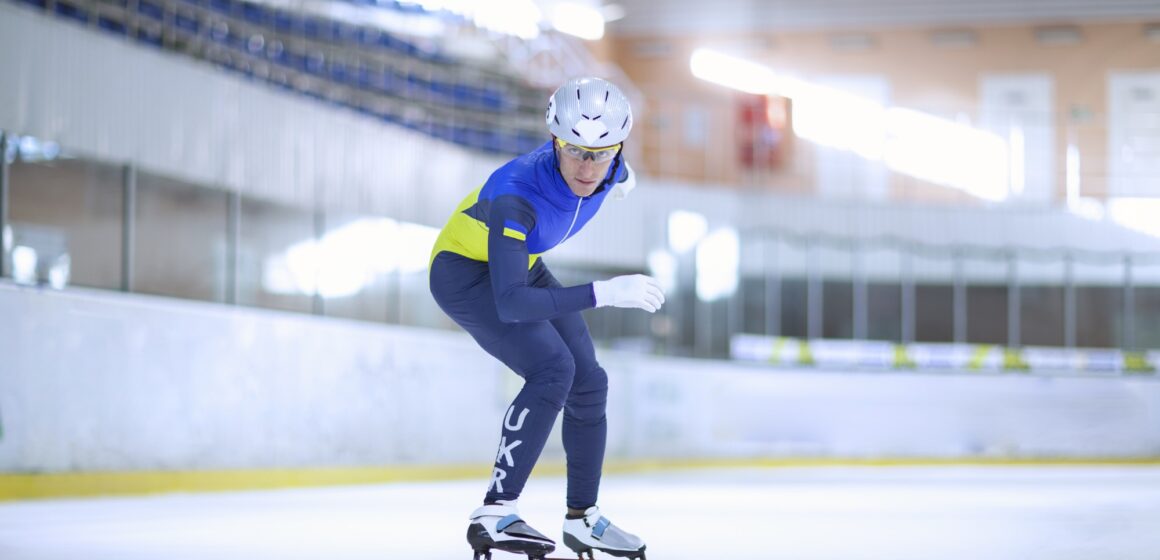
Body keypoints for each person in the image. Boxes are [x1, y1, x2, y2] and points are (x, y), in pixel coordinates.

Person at [429, 77, 661, 560]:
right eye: (574, 151)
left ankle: (583, 520)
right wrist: (605, 292)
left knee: (589, 382)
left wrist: (620, 177)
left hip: (524, 265)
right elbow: (511, 303)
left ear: (618, 150)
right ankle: (495, 512)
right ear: (555, 141)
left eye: (601, 154)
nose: (586, 167)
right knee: (553, 368)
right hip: (462, 273)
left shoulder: (612, 170)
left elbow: (616, 171)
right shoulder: (517, 195)